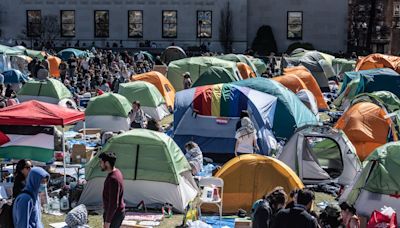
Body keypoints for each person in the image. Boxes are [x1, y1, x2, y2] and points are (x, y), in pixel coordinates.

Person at [99, 152, 125, 228]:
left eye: (101, 162)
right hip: (114, 214)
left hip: (115, 215)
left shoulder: (113, 179)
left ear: (106, 163)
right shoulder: (116, 172)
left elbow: (114, 204)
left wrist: (107, 222)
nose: (100, 164)